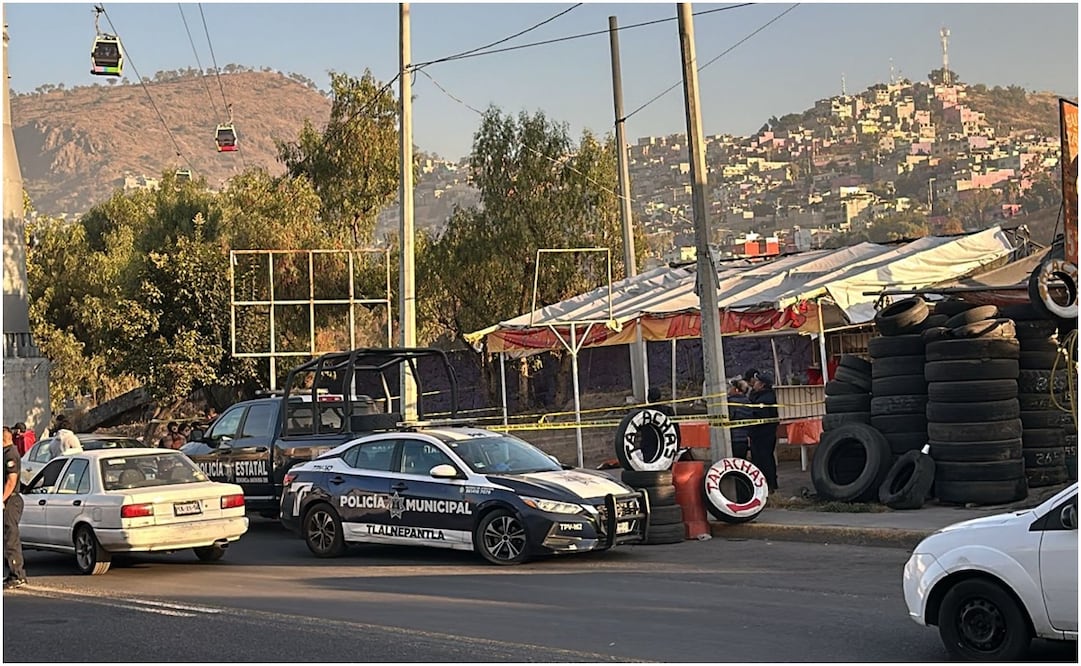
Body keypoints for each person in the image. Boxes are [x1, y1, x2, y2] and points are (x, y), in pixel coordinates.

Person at [746, 370, 779, 492]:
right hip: (757, 434)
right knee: (758, 459)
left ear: (762, 384)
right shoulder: (756, 395)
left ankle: (769, 484)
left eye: (757, 381)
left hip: (764, 434)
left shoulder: (766, 398)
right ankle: (762, 484)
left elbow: (760, 415)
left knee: (765, 459)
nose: (754, 383)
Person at [3, 427, 27, 589]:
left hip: (11, 500)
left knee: (11, 537)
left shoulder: (10, 454)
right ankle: (12, 573)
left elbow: (11, 480)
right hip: (8, 499)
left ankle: (17, 575)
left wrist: (2, 499)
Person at [726, 379, 753, 459]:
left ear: (736, 389)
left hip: (733, 438)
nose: (729, 390)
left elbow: (729, 417)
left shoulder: (731, 402)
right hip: (745, 438)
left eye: (731, 387)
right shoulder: (748, 402)